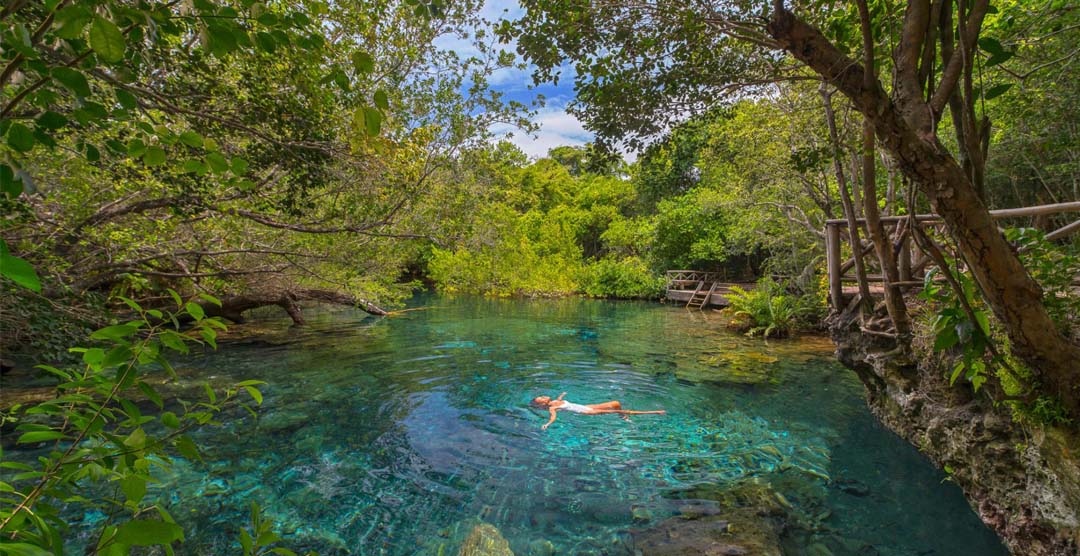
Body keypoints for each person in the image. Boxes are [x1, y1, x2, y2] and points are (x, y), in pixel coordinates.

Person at [531, 392, 666, 430]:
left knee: (616, 403)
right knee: (621, 410)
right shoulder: (552, 407)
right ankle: (654, 412)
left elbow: (562, 402)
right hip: (586, 412)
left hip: (586, 406)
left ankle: (622, 416)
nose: (544, 396)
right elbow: (553, 417)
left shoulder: (554, 401)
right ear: (543, 403)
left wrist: (562, 396)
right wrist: (548, 424)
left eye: (542, 395)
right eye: (541, 398)